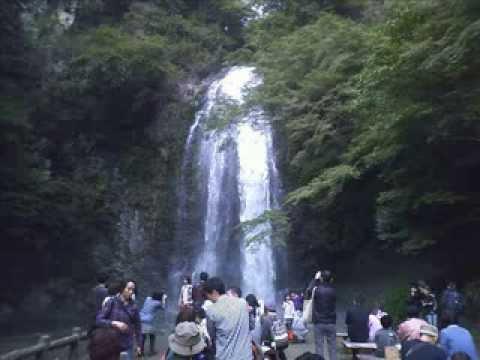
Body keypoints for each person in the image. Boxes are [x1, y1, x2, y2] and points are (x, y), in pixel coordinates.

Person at [204, 277, 252, 360]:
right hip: (245, 356)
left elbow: (212, 335)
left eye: (207, 294)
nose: (207, 297)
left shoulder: (211, 311)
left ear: (214, 292)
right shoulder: (242, 303)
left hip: (225, 357)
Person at [96, 280, 142, 360]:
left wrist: (139, 345)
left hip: (127, 344)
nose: (131, 292)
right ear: (122, 289)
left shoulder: (134, 307)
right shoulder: (111, 302)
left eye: (133, 290)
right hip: (111, 344)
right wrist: (114, 323)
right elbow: (99, 320)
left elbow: (138, 327)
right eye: (129, 289)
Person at [307, 270, 336, 360]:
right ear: (331, 280)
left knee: (319, 347)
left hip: (319, 322)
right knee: (332, 348)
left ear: (321, 279)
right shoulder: (333, 291)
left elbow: (308, 292)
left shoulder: (317, 290)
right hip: (331, 322)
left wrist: (315, 280)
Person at [139, 291, 166, 356]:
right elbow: (163, 307)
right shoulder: (157, 303)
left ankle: (140, 352)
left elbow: (149, 296)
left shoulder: (147, 299)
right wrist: (164, 299)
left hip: (141, 318)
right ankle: (151, 351)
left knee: (143, 336)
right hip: (149, 321)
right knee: (152, 336)